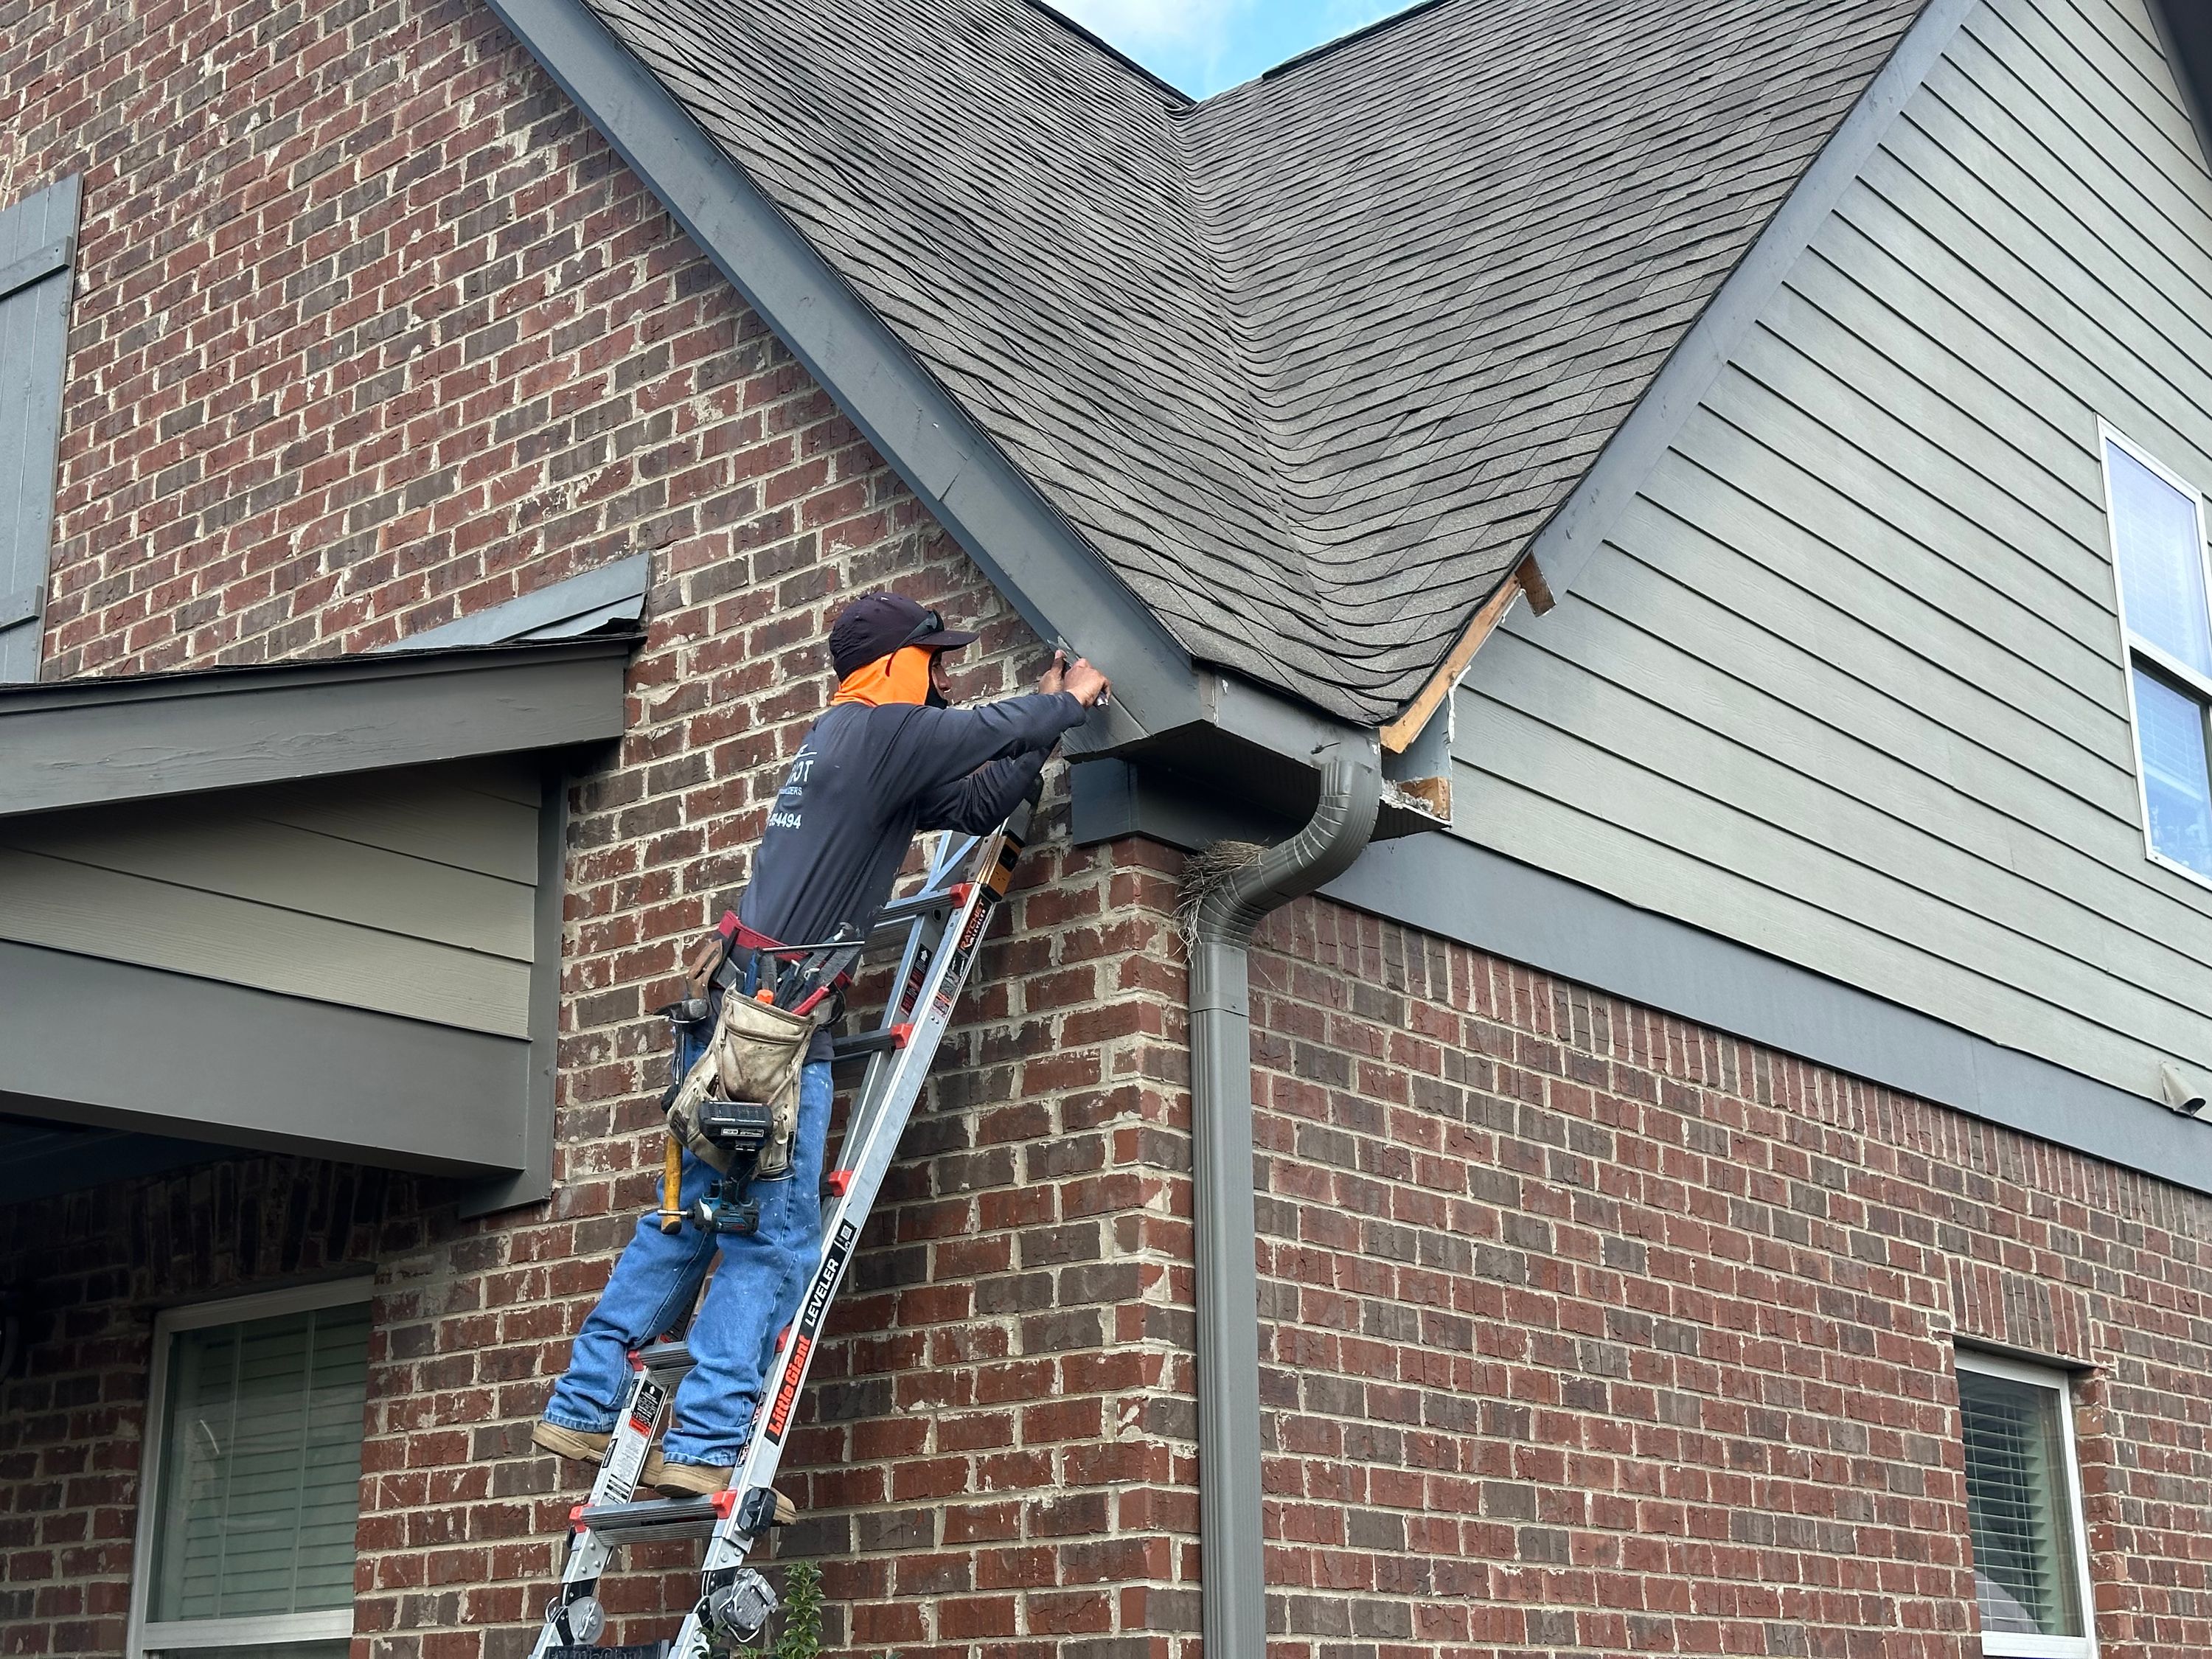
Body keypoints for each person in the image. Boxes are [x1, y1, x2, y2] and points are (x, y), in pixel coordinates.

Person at [533, 593, 1110, 1495]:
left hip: (729, 1020)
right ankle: (710, 1445)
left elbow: (983, 794)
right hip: (776, 1031)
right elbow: (990, 725)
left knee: (685, 1221)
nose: (947, 676)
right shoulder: (876, 732)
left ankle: (580, 1408)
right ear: (889, 667)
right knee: (774, 1239)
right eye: (934, 659)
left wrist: (1044, 733)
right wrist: (1069, 700)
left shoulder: (849, 751)